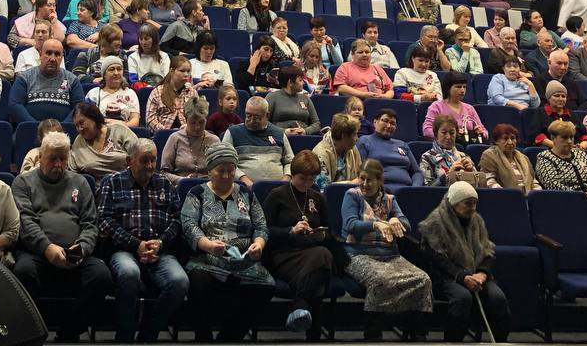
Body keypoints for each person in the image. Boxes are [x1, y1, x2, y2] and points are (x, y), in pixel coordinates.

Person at [11, 129, 114, 340]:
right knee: (23, 272)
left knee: (102, 277)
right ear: (40, 157)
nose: (58, 164)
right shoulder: (23, 183)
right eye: (53, 159)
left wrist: (82, 248)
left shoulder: (80, 182)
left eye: (63, 159)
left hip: (75, 254)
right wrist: (48, 248)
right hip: (38, 254)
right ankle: (36, 331)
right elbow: (26, 222)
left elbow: (90, 223)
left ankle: (69, 332)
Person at [96, 138, 189, 343]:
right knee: (129, 273)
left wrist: (160, 243)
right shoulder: (112, 182)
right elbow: (104, 220)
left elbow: (177, 220)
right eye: (144, 160)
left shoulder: (164, 183)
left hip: (159, 251)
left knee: (179, 282)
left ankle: (149, 333)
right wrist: (135, 244)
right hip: (125, 250)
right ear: (129, 161)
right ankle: (125, 336)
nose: (149, 166)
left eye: (153, 160)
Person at [180, 142, 275, 342]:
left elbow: (261, 226)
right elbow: (189, 226)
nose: (226, 176)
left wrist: (259, 244)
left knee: (266, 285)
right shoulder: (197, 194)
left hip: (243, 261)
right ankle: (203, 338)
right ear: (209, 171)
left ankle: (229, 338)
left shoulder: (246, 193)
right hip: (207, 260)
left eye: (231, 170)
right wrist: (208, 245)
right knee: (198, 281)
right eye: (220, 171)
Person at [340, 158, 433, 337]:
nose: (364, 184)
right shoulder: (352, 195)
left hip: (390, 255)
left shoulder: (389, 199)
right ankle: (373, 333)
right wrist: (376, 224)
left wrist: (395, 219)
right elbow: (351, 225)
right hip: (358, 254)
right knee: (380, 280)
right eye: (362, 179)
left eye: (369, 180)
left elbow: (406, 225)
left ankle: (416, 333)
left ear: (380, 181)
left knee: (423, 279)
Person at [418, 180, 513, 342]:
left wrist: (482, 273)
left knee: (498, 298)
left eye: (475, 203)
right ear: (454, 203)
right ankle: (453, 342)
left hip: (476, 275)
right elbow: (437, 260)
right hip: (446, 277)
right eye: (468, 203)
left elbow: (487, 251)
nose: (473, 208)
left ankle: (501, 341)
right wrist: (463, 277)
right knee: (462, 299)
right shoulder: (434, 223)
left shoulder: (477, 221)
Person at [261, 149, 339, 336]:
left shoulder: (318, 198)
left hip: (311, 251)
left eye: (311, 180)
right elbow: (263, 231)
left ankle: (300, 306)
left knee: (321, 256)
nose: (307, 184)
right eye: (302, 178)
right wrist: (290, 230)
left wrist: (319, 234)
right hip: (284, 254)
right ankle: (313, 334)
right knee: (322, 262)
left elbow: (329, 231)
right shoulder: (277, 195)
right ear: (293, 174)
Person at [7, 39, 84, 123]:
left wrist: (62, 127)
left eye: (57, 54)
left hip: (64, 130)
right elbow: (15, 105)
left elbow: (79, 107)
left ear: (62, 57)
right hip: (30, 129)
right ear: (40, 54)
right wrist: (34, 126)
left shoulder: (72, 80)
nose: (53, 59)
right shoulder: (25, 77)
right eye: (48, 53)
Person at [224, 96, 294, 186]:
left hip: (278, 189)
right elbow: (225, 161)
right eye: (248, 115)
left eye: (257, 117)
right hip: (242, 187)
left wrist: (286, 179)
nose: (251, 120)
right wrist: (242, 178)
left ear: (267, 115)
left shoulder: (279, 133)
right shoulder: (233, 132)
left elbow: (290, 161)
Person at [356, 106, 422, 190]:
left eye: (393, 123)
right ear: (375, 122)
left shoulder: (402, 144)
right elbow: (360, 171)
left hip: (407, 191)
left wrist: (415, 188)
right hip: (379, 190)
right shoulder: (364, 141)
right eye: (385, 121)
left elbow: (417, 172)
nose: (389, 125)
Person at [160, 95, 219, 183]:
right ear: (186, 120)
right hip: (181, 186)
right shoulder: (175, 138)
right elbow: (164, 173)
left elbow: (220, 171)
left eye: (201, 122)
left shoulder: (214, 141)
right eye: (193, 123)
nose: (197, 127)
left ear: (206, 119)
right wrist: (182, 180)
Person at [534, 120, 587, 192]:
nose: (569, 141)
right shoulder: (545, 157)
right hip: (565, 197)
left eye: (571, 137)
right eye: (564, 137)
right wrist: (581, 195)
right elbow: (551, 184)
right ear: (553, 138)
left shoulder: (581, 154)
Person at [422, 71, 487, 143]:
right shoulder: (436, 106)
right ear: (448, 88)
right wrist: (451, 134)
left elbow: (485, 132)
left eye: (464, 87)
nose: (462, 90)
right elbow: (427, 130)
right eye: (458, 87)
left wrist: (480, 132)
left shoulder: (469, 108)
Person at [420, 115, 477, 186]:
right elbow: (427, 188)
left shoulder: (464, 156)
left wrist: (471, 174)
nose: (448, 137)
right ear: (436, 134)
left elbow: (479, 186)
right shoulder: (427, 157)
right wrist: (448, 176)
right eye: (444, 133)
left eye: (452, 133)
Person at [479, 123, 537, 191]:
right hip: (504, 196)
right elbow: (489, 181)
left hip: (528, 195)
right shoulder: (489, 155)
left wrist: (536, 194)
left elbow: (533, 181)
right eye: (505, 138)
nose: (510, 142)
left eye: (513, 138)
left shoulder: (524, 157)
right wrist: (507, 194)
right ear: (496, 141)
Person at [266, 65, 320, 134]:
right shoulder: (272, 97)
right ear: (290, 82)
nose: (303, 83)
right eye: (300, 80)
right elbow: (264, 122)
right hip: (280, 136)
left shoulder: (305, 98)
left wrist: (305, 131)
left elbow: (316, 123)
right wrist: (283, 131)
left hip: (303, 137)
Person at [313, 112, 362, 187]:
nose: (357, 138)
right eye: (355, 134)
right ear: (344, 136)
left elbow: (361, 176)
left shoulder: (352, 148)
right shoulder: (320, 154)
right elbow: (323, 188)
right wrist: (350, 183)